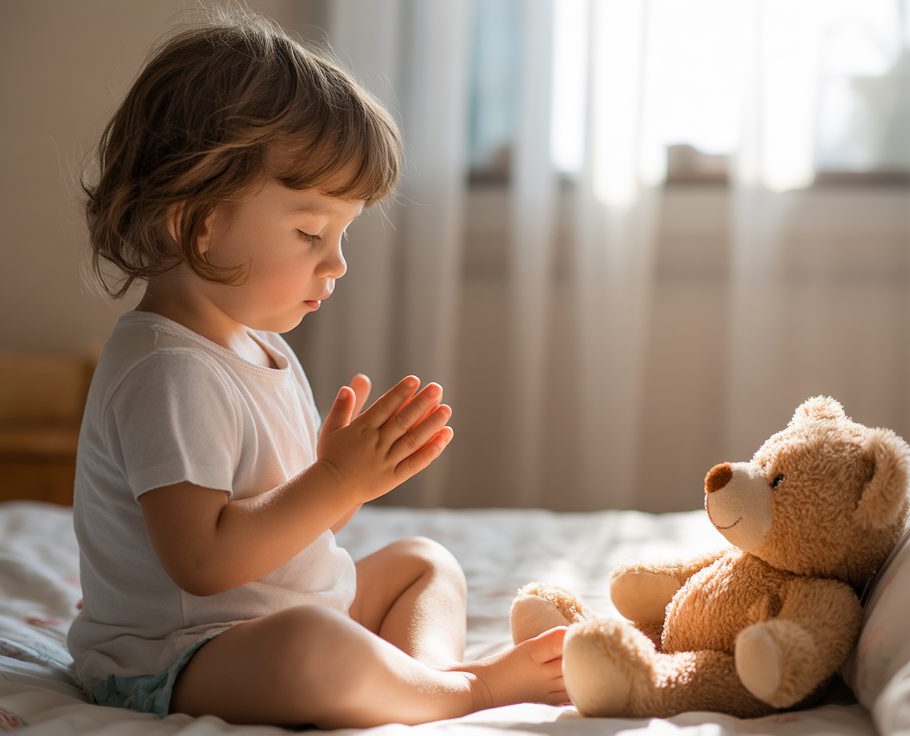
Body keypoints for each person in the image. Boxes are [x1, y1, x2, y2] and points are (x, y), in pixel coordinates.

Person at [66, 10, 567, 729]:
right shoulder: (166, 369)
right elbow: (202, 563)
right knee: (313, 647)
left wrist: (346, 480)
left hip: (285, 607)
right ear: (197, 220)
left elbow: (284, 529)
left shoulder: (259, 346)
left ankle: (419, 680)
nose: (336, 264)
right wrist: (336, 482)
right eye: (310, 233)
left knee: (424, 562)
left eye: (340, 235)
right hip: (179, 654)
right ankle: (467, 692)